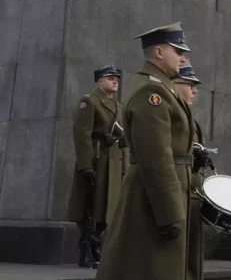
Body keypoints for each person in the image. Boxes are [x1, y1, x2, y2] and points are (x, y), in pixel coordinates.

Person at [94, 22, 199, 280]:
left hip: (165, 195)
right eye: (178, 50)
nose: (183, 57)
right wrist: (169, 212)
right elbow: (156, 158)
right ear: (160, 52)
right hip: (155, 200)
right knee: (150, 269)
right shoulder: (152, 91)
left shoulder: (164, 88)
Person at [68, 65, 128, 268]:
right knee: (90, 207)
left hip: (114, 163)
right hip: (97, 161)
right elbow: (82, 135)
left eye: (117, 79)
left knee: (106, 208)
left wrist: (124, 169)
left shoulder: (119, 106)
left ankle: (97, 247)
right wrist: (85, 166)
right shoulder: (90, 102)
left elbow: (122, 141)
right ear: (99, 81)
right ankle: (86, 250)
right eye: (110, 78)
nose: (115, 81)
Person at [172, 61, 213, 280]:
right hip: (177, 191)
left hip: (194, 193)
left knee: (192, 255)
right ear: (174, 84)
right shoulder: (169, 115)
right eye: (189, 84)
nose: (195, 90)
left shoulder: (193, 122)